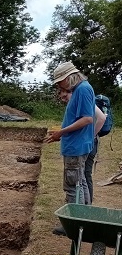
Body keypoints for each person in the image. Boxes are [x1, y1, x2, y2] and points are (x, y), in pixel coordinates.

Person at [44, 61, 95, 235]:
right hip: (77, 144)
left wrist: (62, 132)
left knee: (73, 185)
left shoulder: (82, 89)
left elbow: (87, 119)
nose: (58, 85)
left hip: (76, 147)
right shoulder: (81, 89)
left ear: (69, 77)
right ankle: (84, 220)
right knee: (80, 183)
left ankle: (73, 226)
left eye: (60, 81)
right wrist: (62, 135)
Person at [58, 88, 106, 203]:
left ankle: (83, 209)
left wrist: (91, 135)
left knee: (84, 176)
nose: (65, 100)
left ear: (72, 92)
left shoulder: (84, 100)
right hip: (87, 141)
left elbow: (102, 118)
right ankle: (86, 206)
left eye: (65, 96)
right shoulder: (78, 102)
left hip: (87, 142)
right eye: (62, 98)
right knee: (82, 176)